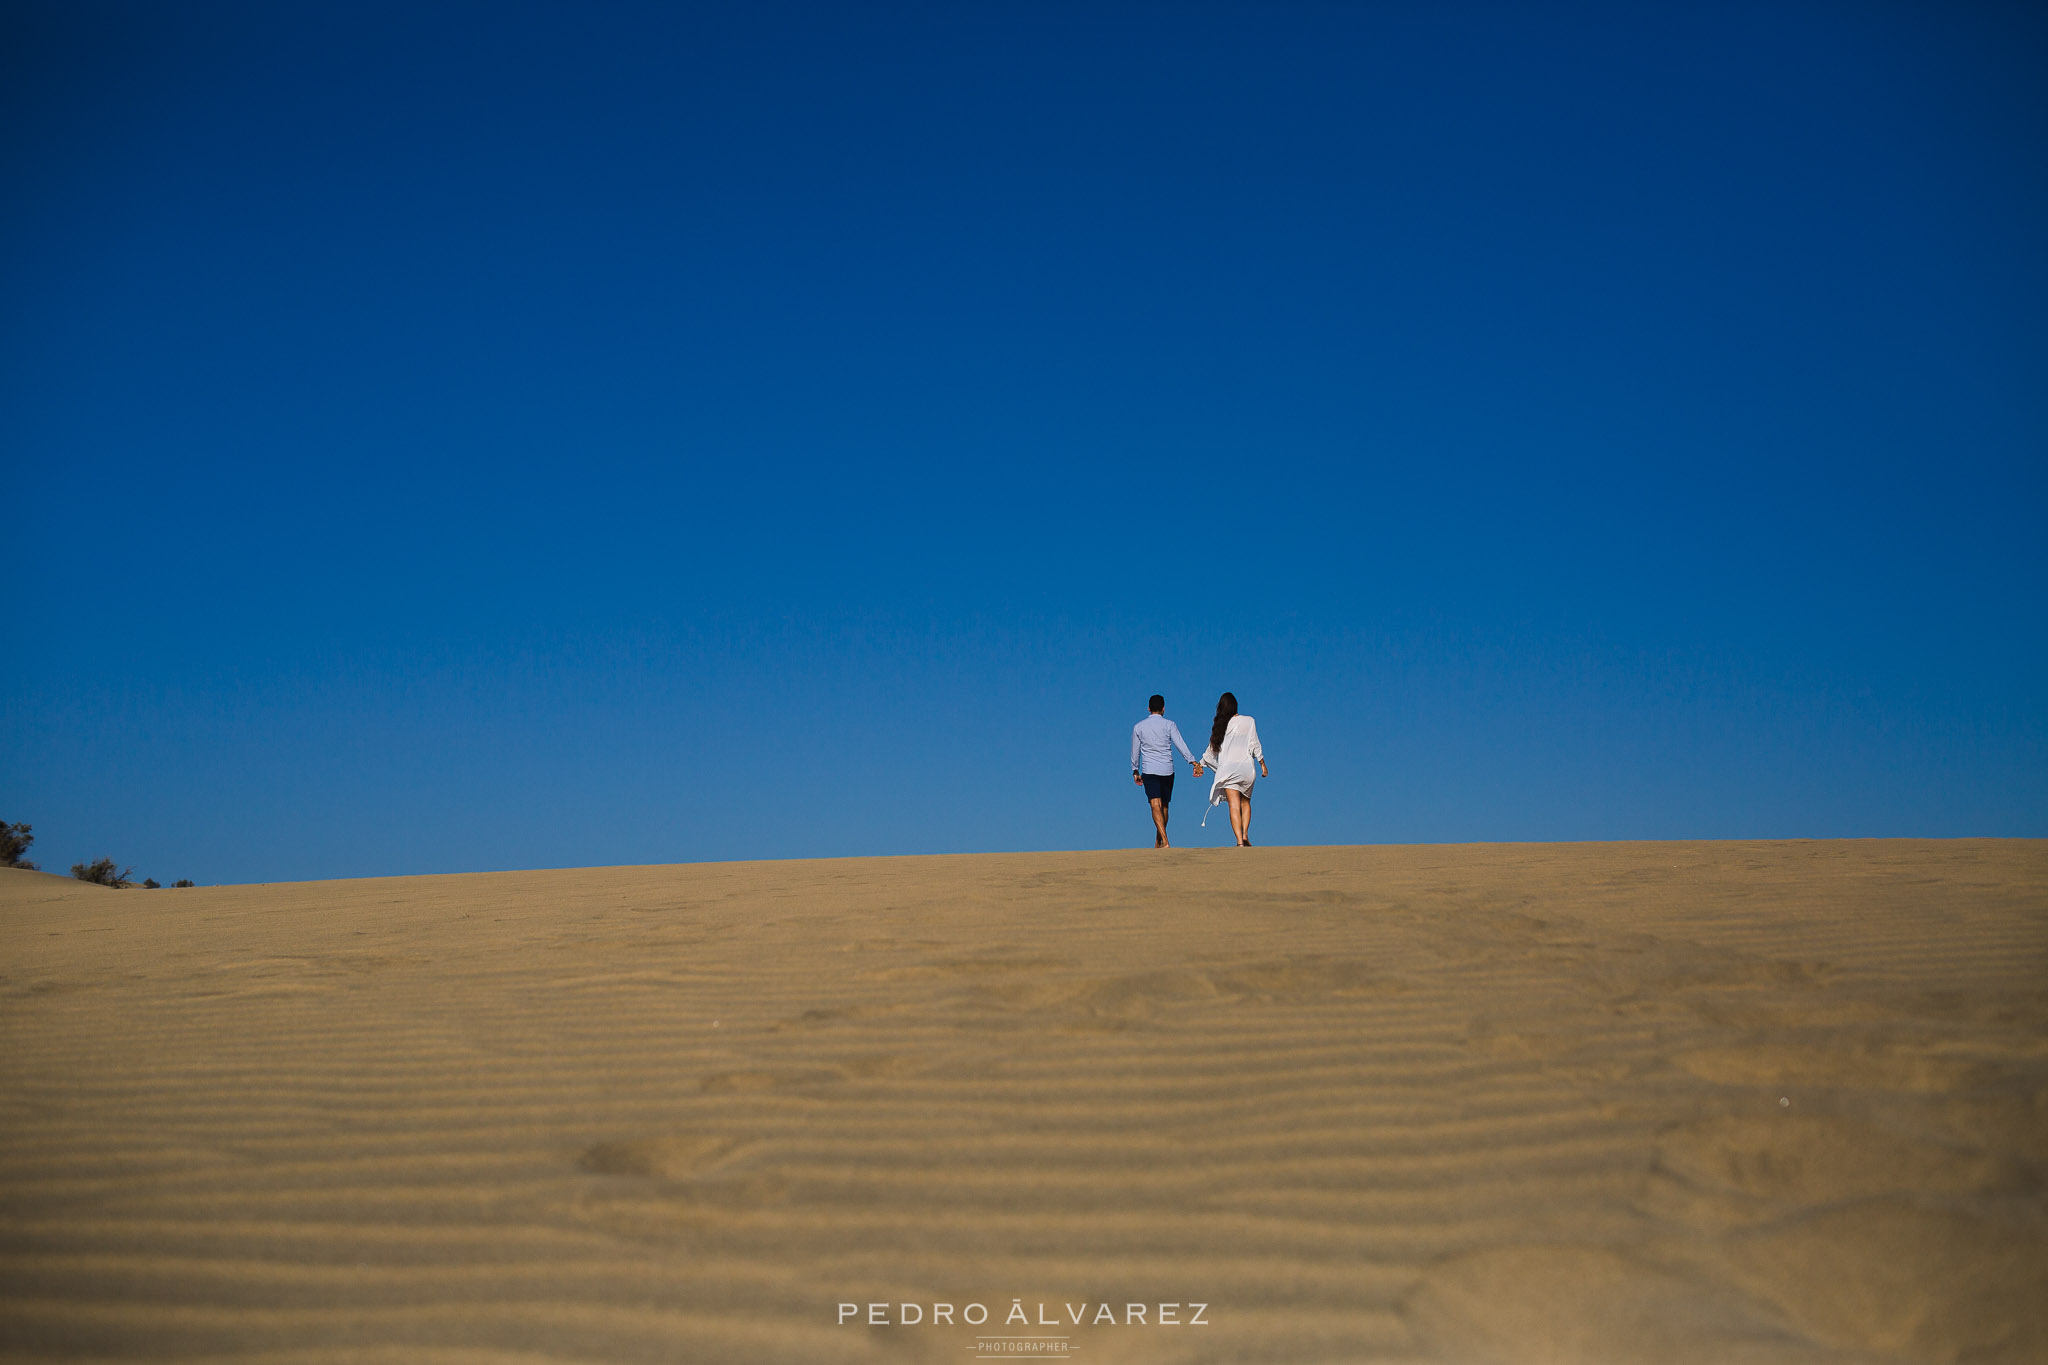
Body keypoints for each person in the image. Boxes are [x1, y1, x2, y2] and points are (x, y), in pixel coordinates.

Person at [1130, 694, 1202, 849]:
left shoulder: (1139, 727)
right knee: (1165, 806)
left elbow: (1135, 751)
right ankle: (1159, 842)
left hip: (1149, 769)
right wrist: (1193, 761)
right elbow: (1180, 744)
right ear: (1163, 709)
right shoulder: (1170, 724)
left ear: (1148, 709)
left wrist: (1135, 770)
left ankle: (1165, 841)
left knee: (1155, 804)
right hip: (1167, 769)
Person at [1201, 691, 1268, 847]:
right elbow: (1254, 744)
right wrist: (1262, 764)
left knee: (1234, 806)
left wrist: (1200, 765)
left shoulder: (1221, 726)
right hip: (1246, 769)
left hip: (1229, 770)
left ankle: (1239, 842)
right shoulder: (1249, 721)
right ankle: (1245, 835)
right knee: (1246, 803)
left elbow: (1210, 751)